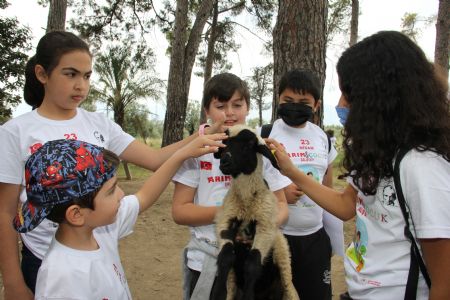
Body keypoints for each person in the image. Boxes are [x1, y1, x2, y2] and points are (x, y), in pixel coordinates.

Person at [0, 31, 223, 299]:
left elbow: (154, 159)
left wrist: (204, 134)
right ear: (42, 74)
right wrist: (13, 282)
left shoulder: (99, 124)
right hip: (41, 258)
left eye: (87, 75)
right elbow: (5, 210)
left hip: (97, 246)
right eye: (70, 74)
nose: (81, 85)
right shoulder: (15, 132)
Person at [267, 31, 450, 300]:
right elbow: (345, 206)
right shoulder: (376, 152)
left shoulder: (422, 166)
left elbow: (443, 283)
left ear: (380, 99)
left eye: (348, 95)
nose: (340, 105)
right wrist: (291, 171)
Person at [13, 136, 225, 299]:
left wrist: (181, 154)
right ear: (76, 214)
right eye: (111, 190)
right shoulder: (61, 278)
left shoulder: (98, 230)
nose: (122, 194)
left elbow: (145, 195)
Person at [171, 73, 291, 299]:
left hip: (252, 265)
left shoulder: (259, 148)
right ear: (207, 111)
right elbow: (179, 210)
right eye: (220, 105)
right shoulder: (196, 152)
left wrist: (259, 225)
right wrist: (232, 217)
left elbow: (282, 204)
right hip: (208, 261)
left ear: (247, 108)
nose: (229, 112)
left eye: (237, 105)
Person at [258, 69, 342, 300]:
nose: (295, 106)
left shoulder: (323, 138)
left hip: (314, 240)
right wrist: (279, 193)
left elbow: (328, 188)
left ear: (316, 105)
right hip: (275, 237)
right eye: (288, 100)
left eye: (303, 102)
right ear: (278, 99)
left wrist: (331, 241)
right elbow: (249, 185)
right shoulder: (264, 135)